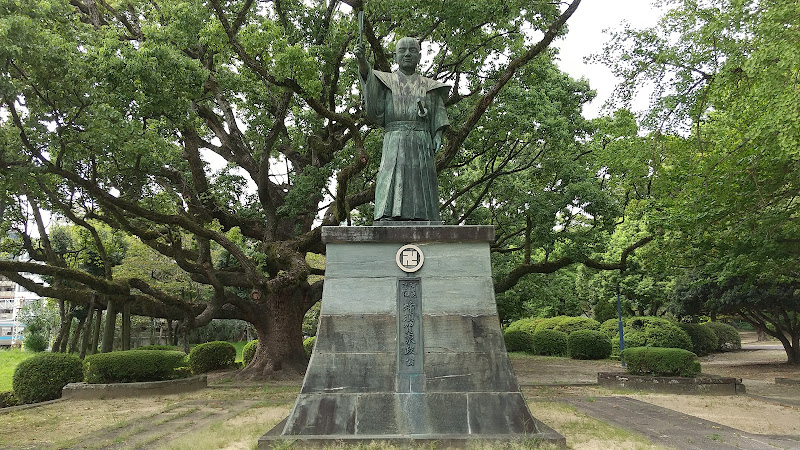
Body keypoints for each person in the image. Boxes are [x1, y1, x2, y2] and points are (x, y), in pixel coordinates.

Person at [355, 37, 451, 222]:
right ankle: (388, 214)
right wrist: (361, 61)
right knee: (391, 173)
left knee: (421, 176)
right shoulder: (386, 81)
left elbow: (438, 111)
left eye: (412, 50)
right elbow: (369, 79)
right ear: (395, 56)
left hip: (422, 138)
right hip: (394, 137)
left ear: (419, 56)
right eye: (403, 50)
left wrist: (438, 133)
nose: (407, 54)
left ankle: (424, 215)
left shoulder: (429, 86)